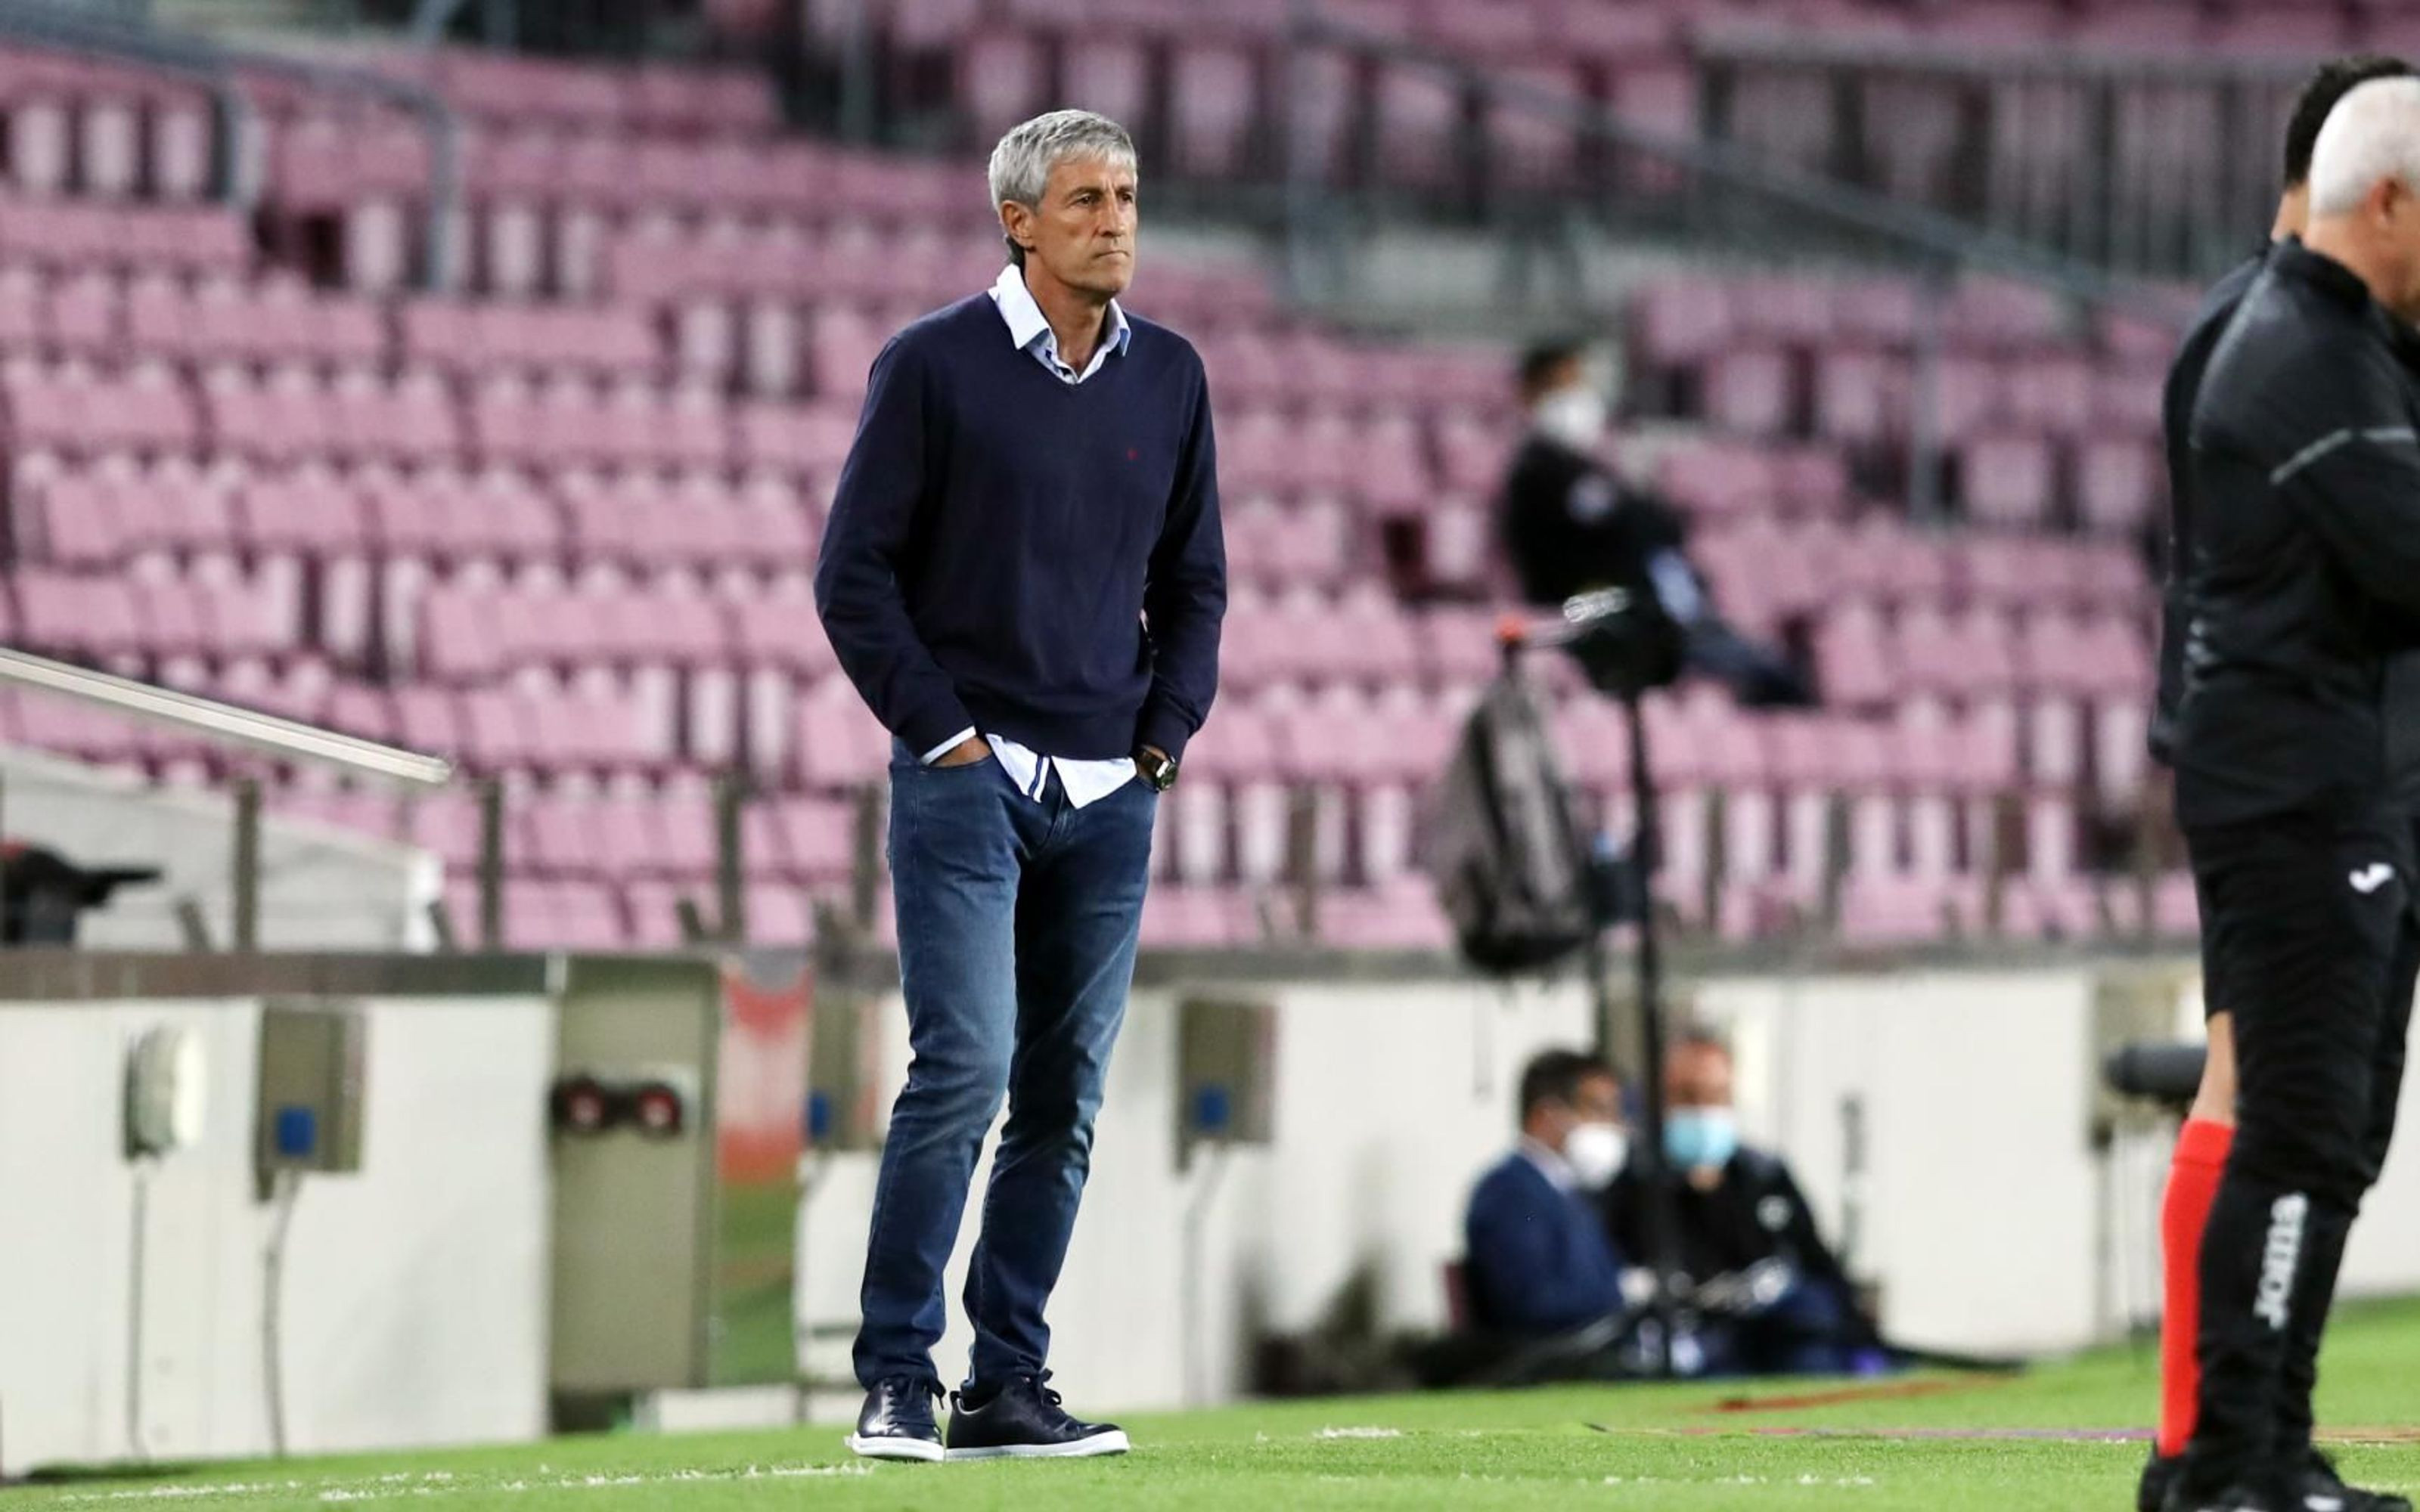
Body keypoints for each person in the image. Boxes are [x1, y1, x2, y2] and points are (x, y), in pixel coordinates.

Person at [814, 108, 1225, 1464]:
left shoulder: (1171, 376)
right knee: (966, 1066)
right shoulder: (930, 365)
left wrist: (1163, 739)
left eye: (1128, 195)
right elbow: (853, 575)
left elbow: (1196, 582)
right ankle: (893, 1372)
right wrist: (942, 736)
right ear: (1018, 220)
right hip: (968, 779)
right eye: (1089, 199)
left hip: (1113, 789)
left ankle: (1008, 1384)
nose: (1116, 219)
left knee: (1066, 1097)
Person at [2141, 54, 2419, 1512]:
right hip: (2295, 776)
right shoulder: (2285, 347)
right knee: (2276, 1115)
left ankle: (2248, 1453)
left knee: (2319, 1128)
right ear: (2375, 193)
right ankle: (2217, 1457)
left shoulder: (2323, 338)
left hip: (2339, 770)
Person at [1497, 341, 1813, 707]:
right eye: (1564, 385)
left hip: (1647, 604)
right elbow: (1626, 525)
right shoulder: (1537, 470)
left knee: (1769, 672)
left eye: (1578, 384)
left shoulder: (1588, 467)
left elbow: (1656, 524)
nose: (1578, 397)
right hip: (1593, 605)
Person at [1606, 1029, 1881, 1377]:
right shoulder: (1632, 1183)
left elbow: (1816, 1262)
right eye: (1687, 1096)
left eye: (1716, 1096)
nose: (1703, 1111)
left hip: (1777, 1342)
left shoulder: (1763, 1176)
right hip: (1690, 1351)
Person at [1462, 1049, 1636, 1337]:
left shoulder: (1568, 1190)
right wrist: (1620, 1294)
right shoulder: (1509, 1192)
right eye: (1599, 1110)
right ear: (1546, 1116)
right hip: (1557, 1365)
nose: (1613, 1125)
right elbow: (1532, 1305)